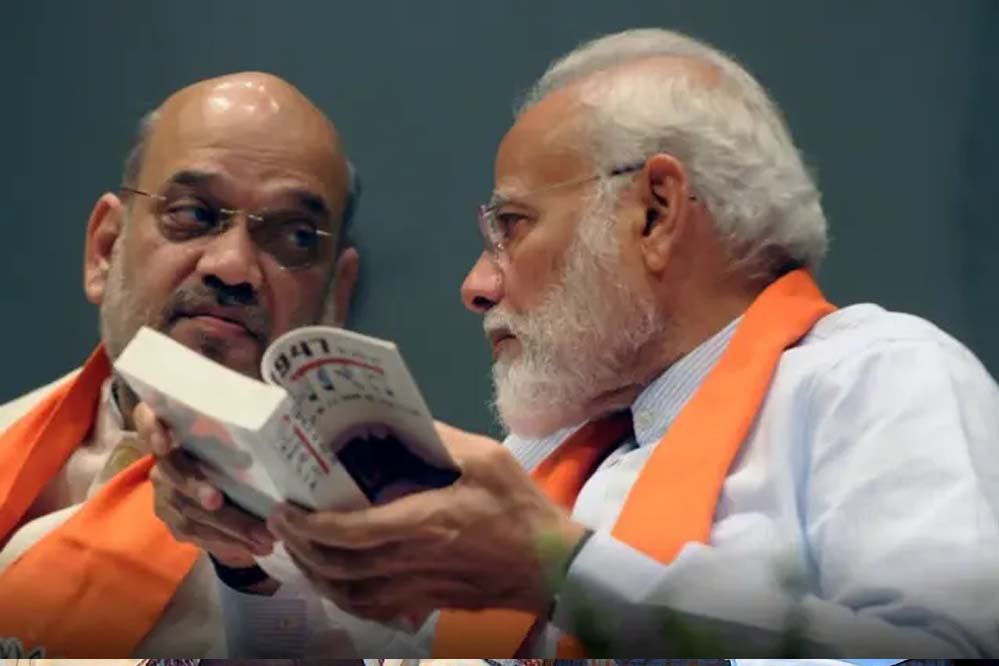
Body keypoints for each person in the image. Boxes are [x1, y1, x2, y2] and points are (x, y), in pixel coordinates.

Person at [147, 28, 999, 658]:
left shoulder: (874, 378)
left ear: (655, 212)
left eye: (510, 226)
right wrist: (245, 563)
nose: (476, 285)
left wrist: (563, 572)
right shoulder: (546, 458)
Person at [0, 71, 361, 657]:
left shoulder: (375, 546)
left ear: (336, 299)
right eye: (194, 214)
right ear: (105, 249)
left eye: (296, 237)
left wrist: (252, 575)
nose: (233, 266)